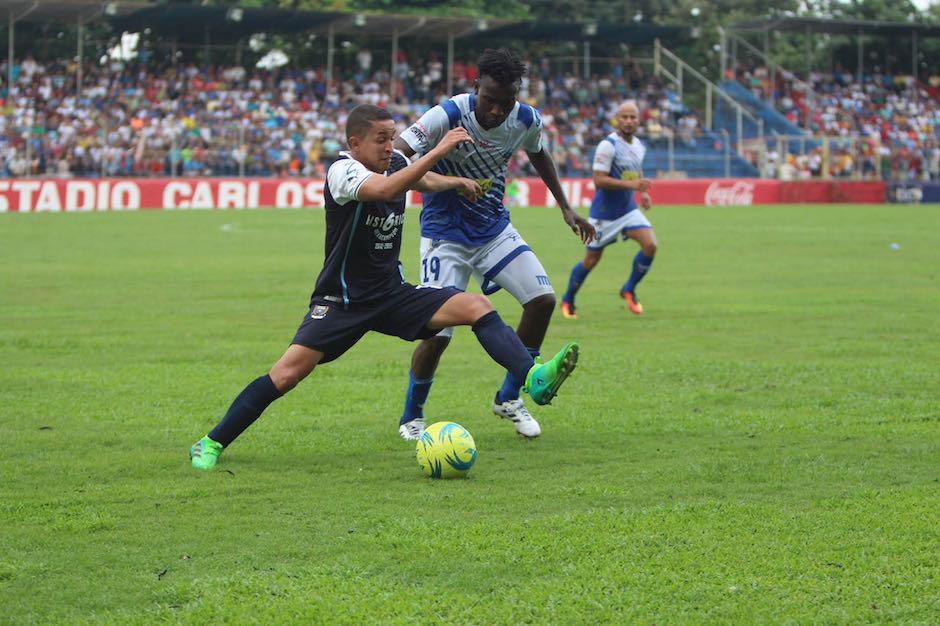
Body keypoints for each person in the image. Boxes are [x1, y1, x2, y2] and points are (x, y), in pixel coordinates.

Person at [189, 104, 580, 470]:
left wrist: (454, 181)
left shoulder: (396, 161)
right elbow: (386, 190)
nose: (390, 146)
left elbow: (421, 177)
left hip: (391, 294)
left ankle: (532, 378)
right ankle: (211, 442)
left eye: (392, 137)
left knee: (475, 306)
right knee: (287, 374)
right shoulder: (342, 172)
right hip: (342, 301)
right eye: (380, 139)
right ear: (354, 143)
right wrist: (441, 148)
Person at [393, 48, 595, 441]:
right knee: (438, 334)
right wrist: (440, 171)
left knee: (542, 300)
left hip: (492, 230)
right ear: (475, 88)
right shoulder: (447, 115)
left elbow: (539, 154)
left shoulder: (525, 119)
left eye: (507, 102)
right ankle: (411, 416)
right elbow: (398, 157)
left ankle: (510, 396)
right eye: (490, 100)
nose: (498, 111)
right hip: (444, 236)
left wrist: (566, 207)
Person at [560, 101, 657, 319]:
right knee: (591, 260)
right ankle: (568, 299)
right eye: (625, 117)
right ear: (617, 120)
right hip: (604, 214)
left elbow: (636, 172)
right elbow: (599, 180)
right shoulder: (608, 145)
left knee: (650, 245)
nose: (629, 121)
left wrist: (643, 193)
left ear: (638, 120)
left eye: (633, 117)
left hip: (628, 210)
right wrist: (633, 186)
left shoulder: (639, 146)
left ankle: (629, 289)